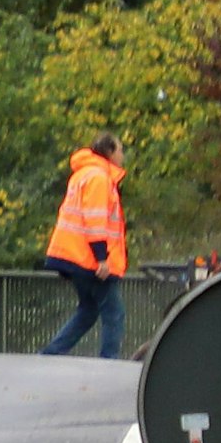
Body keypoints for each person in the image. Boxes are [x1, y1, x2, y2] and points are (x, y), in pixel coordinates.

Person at [39, 132, 128, 359]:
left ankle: (51, 353)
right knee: (114, 312)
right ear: (109, 152)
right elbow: (95, 219)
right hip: (89, 259)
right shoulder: (99, 178)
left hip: (73, 255)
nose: (122, 155)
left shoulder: (82, 175)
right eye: (120, 150)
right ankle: (110, 362)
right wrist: (102, 259)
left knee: (88, 310)